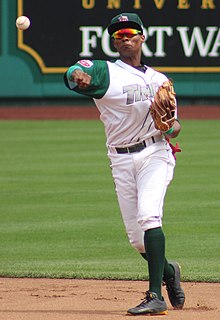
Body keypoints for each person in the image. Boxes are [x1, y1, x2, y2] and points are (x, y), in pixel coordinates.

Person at [64, 12, 185, 316]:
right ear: (114, 42)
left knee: (148, 218)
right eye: (118, 35)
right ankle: (169, 271)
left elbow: (176, 128)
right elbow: (76, 72)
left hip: (155, 154)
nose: (124, 37)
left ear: (142, 37)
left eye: (130, 32)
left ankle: (155, 295)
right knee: (136, 239)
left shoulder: (160, 80)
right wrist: (78, 77)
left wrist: (169, 123)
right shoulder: (106, 72)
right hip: (119, 159)